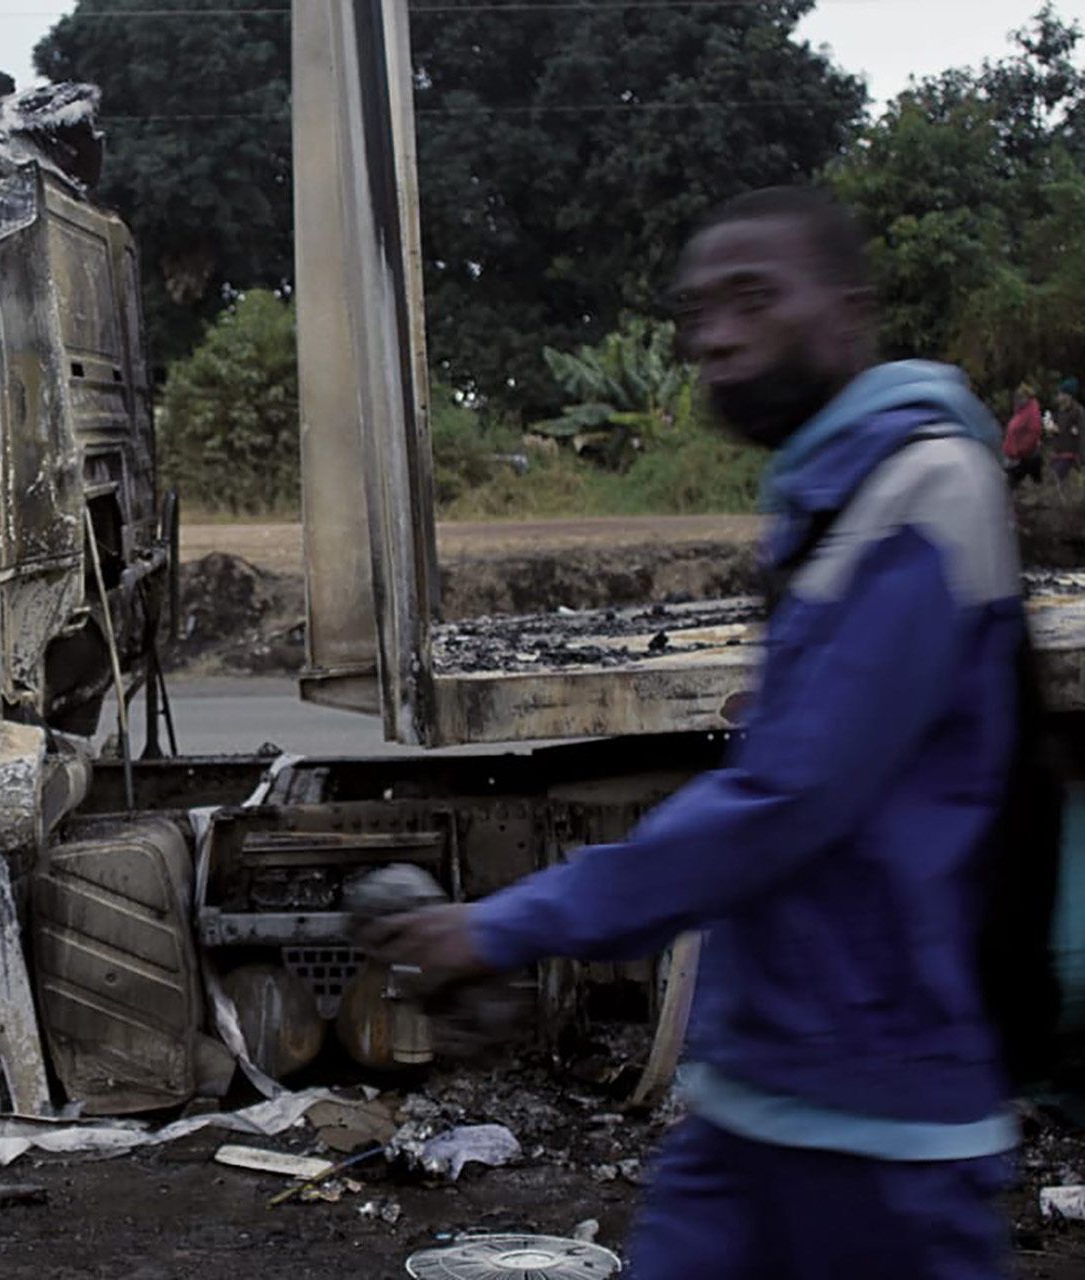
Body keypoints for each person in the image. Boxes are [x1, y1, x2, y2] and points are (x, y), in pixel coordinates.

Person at [361, 187, 1021, 1279]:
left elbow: (788, 799)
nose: (715, 335)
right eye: (699, 309)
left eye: (753, 299)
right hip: (759, 1090)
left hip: (882, 1121)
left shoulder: (926, 489)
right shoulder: (831, 492)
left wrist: (506, 922)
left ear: (849, 312)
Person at [1005, 383, 1044, 486]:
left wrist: (1021, 450)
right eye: (1017, 397)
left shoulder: (1032, 413)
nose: (1018, 400)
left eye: (1021, 397)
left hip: (1026, 456)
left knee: (1011, 483)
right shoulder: (1019, 412)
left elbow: (1034, 433)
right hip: (1014, 456)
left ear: (1028, 397)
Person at [1052, 377, 1084, 482]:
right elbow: (1056, 429)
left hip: (1070, 457)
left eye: (1061, 393)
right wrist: (1052, 428)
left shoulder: (1078, 412)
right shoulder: (1060, 411)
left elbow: (1082, 436)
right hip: (1058, 455)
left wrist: (1081, 458)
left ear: (1068, 396)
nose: (1058, 396)